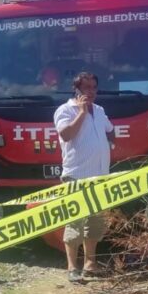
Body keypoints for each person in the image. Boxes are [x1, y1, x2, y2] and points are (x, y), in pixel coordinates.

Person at [53, 72, 114, 283]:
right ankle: (72, 267)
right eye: (86, 87)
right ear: (76, 89)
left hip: (101, 177)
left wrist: (110, 144)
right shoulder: (65, 110)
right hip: (76, 177)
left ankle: (90, 264)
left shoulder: (100, 110)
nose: (90, 92)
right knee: (75, 224)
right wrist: (81, 111)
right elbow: (66, 135)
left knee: (96, 223)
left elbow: (110, 129)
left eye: (94, 87)